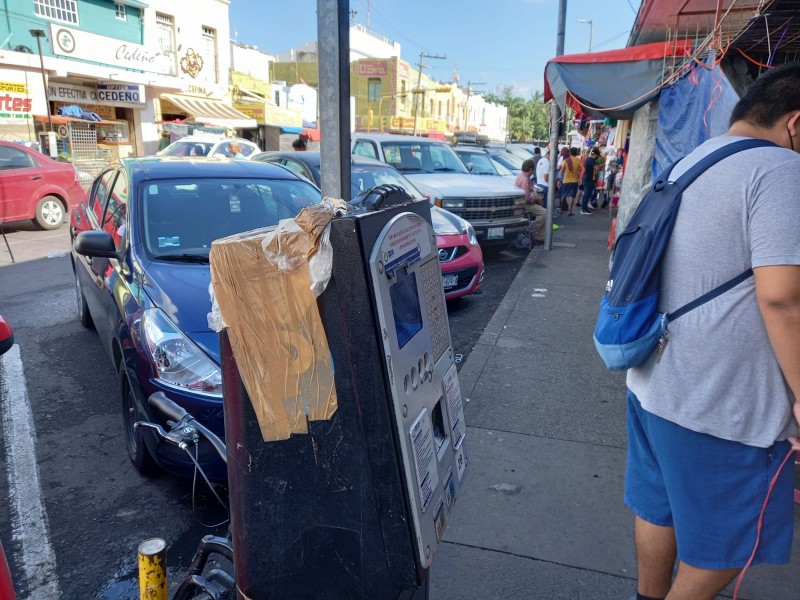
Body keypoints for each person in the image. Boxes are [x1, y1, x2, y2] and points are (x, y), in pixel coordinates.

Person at [624, 62, 800, 600]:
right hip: (720, 404)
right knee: (729, 546)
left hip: (652, 380)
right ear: (796, 123)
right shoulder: (781, 171)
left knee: (660, 510)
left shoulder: (692, 160)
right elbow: (782, 296)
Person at [514, 159, 546, 245]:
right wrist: (536, 199)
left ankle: (538, 235)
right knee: (545, 213)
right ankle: (533, 230)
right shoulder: (525, 180)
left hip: (522, 203)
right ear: (531, 169)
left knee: (542, 210)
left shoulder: (521, 176)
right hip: (525, 204)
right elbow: (526, 198)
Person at [559, 147, 582, 216]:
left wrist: (560, 178)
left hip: (566, 181)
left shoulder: (565, 161)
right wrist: (580, 178)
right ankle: (570, 211)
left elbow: (561, 171)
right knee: (572, 196)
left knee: (563, 195)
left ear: (569, 153)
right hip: (574, 181)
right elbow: (582, 169)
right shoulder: (579, 161)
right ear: (576, 153)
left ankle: (560, 209)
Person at [578, 147, 600, 214]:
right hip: (588, 179)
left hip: (587, 178)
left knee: (588, 194)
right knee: (587, 194)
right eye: (597, 156)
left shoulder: (588, 159)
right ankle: (583, 209)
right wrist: (602, 165)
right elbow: (597, 168)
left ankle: (584, 208)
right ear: (595, 154)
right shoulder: (591, 160)